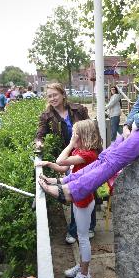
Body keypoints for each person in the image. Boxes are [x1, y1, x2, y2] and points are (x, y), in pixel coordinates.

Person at [38, 28, 139, 215]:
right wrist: (127, 123)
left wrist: (137, 123)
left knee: (114, 159)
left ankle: (71, 191)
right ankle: (66, 181)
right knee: (106, 155)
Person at [35, 119, 102, 278]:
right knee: (81, 237)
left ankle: (85, 274)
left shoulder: (88, 155)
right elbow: (66, 170)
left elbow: (61, 159)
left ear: (83, 136)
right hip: (79, 198)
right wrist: (49, 169)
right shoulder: (82, 152)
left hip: (83, 201)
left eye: (75, 135)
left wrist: (71, 144)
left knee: (83, 238)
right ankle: (81, 266)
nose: (72, 137)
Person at [35, 82, 92, 244]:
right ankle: (76, 230)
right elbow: (39, 134)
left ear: (63, 94)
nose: (52, 98)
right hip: (67, 156)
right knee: (76, 190)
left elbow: (90, 129)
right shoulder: (46, 116)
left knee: (89, 187)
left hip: (84, 153)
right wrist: (39, 142)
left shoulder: (78, 109)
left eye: (55, 95)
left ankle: (89, 226)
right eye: (49, 96)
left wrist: (96, 151)